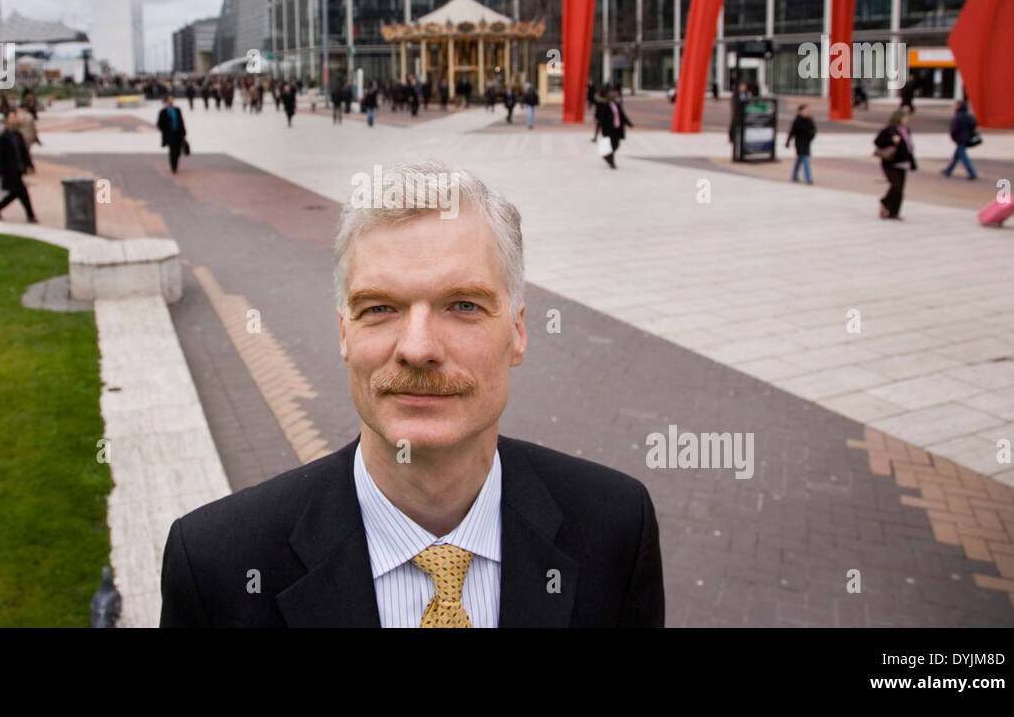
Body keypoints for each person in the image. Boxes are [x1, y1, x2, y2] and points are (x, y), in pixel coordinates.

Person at [160, 160, 664, 628]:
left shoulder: (616, 528)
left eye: (463, 305)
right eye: (379, 308)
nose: (418, 348)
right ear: (344, 334)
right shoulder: (216, 566)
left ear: (517, 332)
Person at [0, 110, 37, 223]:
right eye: (11, 117)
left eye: (14, 117)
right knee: (22, 192)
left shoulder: (18, 134)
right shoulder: (3, 136)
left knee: (15, 193)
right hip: (9, 170)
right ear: (7, 119)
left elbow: (24, 152)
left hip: (18, 168)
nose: (14, 119)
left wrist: (29, 164)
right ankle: (30, 215)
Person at [873, 107, 916, 220]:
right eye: (905, 117)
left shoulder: (906, 130)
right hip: (890, 162)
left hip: (904, 162)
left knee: (900, 189)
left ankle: (894, 212)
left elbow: (909, 146)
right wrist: (892, 140)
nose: (907, 119)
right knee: (895, 186)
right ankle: (885, 202)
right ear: (899, 118)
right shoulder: (889, 130)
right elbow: (878, 142)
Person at [597, 87, 633, 169]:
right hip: (610, 128)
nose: (615, 97)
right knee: (613, 144)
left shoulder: (617, 104)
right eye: (614, 95)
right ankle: (611, 161)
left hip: (617, 127)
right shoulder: (605, 105)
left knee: (616, 145)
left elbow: (622, 115)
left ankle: (608, 156)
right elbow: (602, 118)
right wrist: (602, 128)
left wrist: (629, 123)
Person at [942, 100, 979, 180]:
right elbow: (974, 125)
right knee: (957, 155)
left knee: (963, 156)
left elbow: (954, 129)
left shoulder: (957, 117)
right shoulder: (969, 116)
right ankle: (948, 170)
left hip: (960, 139)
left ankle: (972, 173)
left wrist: (953, 137)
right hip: (966, 138)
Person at [156, 94, 189, 172]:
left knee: (178, 151)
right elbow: (159, 124)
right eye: (170, 99)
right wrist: (165, 130)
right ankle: (173, 166)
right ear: (166, 101)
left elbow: (181, 121)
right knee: (172, 150)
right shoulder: (163, 112)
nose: (172, 101)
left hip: (178, 133)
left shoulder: (177, 109)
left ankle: (175, 162)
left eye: (172, 99)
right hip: (170, 135)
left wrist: (184, 132)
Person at [785, 104, 817, 184]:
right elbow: (792, 132)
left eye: (808, 111)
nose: (807, 112)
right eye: (805, 111)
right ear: (800, 111)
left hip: (806, 142)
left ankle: (794, 176)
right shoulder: (797, 121)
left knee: (799, 160)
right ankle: (808, 178)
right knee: (805, 159)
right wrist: (788, 142)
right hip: (799, 143)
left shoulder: (810, 120)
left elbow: (814, 130)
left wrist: (811, 137)